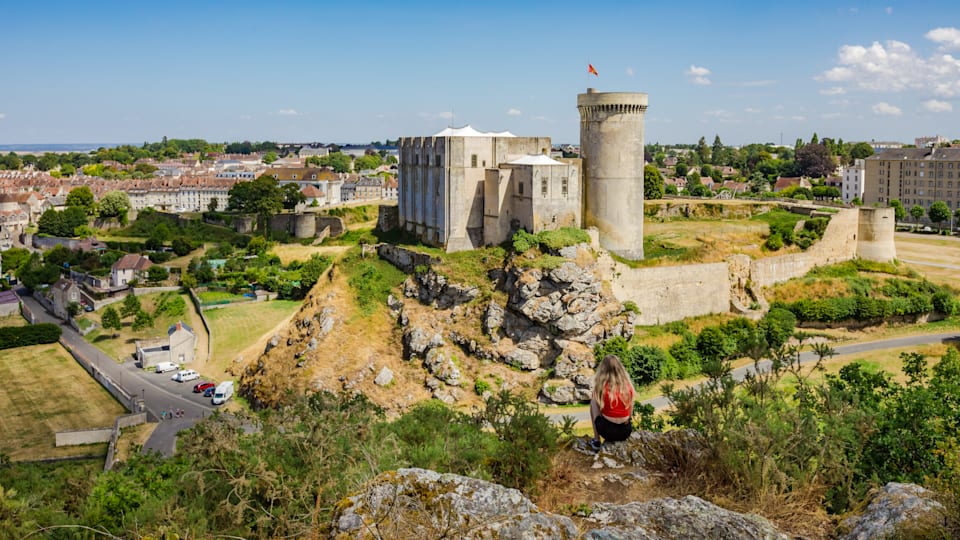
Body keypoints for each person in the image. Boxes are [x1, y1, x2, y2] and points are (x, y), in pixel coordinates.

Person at [589, 354, 635, 451]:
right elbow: (630, 413)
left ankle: (597, 440)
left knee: (593, 401)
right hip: (625, 431)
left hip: (607, 431)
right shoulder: (627, 386)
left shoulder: (600, 387)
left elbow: (600, 409)